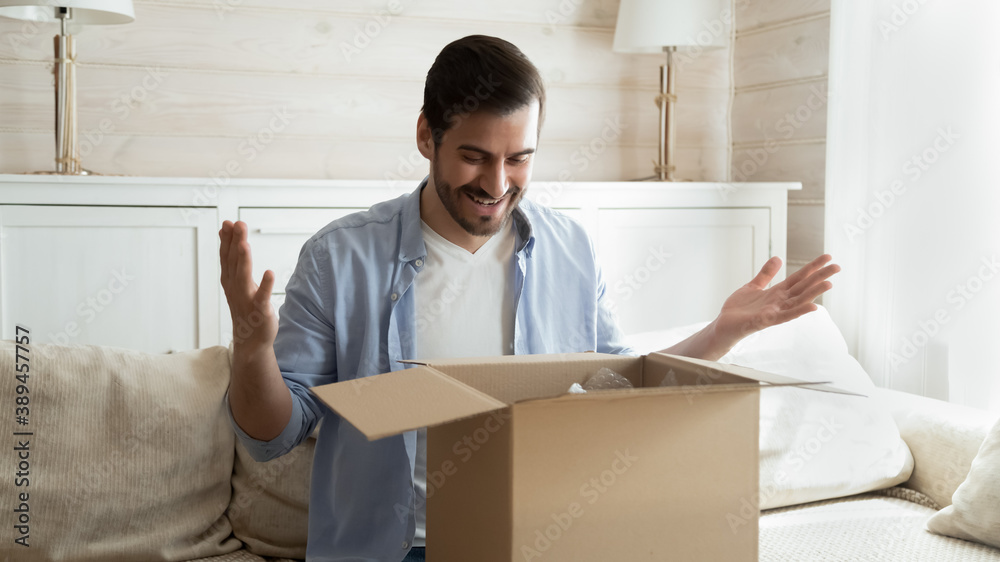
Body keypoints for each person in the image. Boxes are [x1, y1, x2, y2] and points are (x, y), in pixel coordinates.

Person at [218, 35, 839, 562]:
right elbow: (271, 437)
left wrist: (722, 331)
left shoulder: (571, 249)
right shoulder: (340, 256)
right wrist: (252, 350)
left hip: (536, 537)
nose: (496, 184)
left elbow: (615, 385)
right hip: (391, 548)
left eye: (518, 159)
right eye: (474, 157)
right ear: (425, 136)